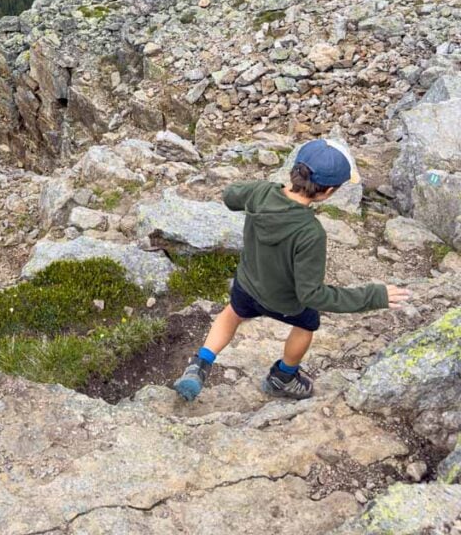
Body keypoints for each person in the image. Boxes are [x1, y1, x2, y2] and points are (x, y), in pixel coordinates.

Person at [173, 139, 411, 402]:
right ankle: (283, 377)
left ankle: (200, 364)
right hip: (286, 302)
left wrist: (263, 190)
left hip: (248, 284)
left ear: (295, 171)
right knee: (307, 325)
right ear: (328, 192)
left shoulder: (260, 193)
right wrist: (373, 296)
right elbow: (312, 295)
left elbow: (230, 196)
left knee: (231, 314)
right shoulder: (310, 232)